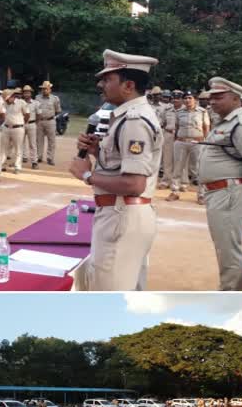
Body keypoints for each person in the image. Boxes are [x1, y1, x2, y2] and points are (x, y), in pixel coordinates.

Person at [70, 49, 162, 291]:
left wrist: (87, 175)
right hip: (125, 214)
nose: (101, 85)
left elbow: (134, 184)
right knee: (129, 289)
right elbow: (120, 165)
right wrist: (97, 152)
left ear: (128, 85)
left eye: (108, 79)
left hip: (122, 216)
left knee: (106, 291)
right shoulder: (125, 117)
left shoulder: (134, 121)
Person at [197, 77, 242, 290]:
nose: (213, 102)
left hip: (228, 192)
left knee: (228, 249)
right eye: (212, 97)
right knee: (224, 248)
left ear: (236, 99)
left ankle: (233, 294)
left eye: (219, 97)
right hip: (220, 192)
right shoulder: (226, 122)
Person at [167, 90, 209, 202]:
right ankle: (174, 191)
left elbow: (206, 128)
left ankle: (201, 194)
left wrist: (205, 142)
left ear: (195, 100)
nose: (187, 100)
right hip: (181, 142)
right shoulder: (179, 112)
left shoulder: (203, 112)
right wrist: (177, 140)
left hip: (197, 142)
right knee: (177, 168)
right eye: (185, 98)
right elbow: (176, 126)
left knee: (199, 169)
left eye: (190, 98)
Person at [1, 89, 29, 173]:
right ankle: (2, 165)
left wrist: (21, 123)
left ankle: (17, 166)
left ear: (12, 96)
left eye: (7, 98)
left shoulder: (21, 103)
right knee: (4, 148)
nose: (6, 100)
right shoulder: (4, 103)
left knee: (18, 148)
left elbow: (27, 114)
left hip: (18, 128)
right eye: (5, 99)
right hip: (6, 128)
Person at [35, 80, 61, 165]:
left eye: (46, 89)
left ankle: (50, 158)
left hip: (50, 121)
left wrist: (50, 116)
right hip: (40, 121)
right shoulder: (37, 98)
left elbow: (57, 111)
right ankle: (39, 157)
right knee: (39, 140)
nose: (44, 90)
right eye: (43, 89)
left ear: (50, 89)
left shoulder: (55, 99)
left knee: (51, 141)